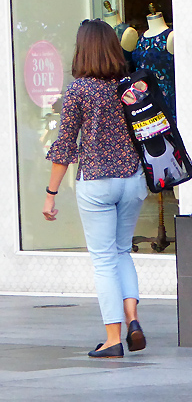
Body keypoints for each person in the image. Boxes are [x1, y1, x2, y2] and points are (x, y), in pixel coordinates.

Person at [43, 19, 149, 359]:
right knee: (122, 253)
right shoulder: (129, 86)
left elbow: (64, 147)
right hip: (132, 180)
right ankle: (133, 319)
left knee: (104, 261)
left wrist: (51, 193)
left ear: (82, 48)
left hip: (97, 182)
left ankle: (113, 338)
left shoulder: (78, 90)